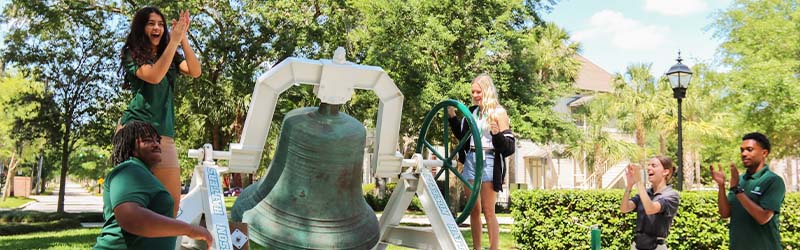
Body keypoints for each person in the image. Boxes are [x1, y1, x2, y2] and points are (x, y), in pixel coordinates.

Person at [118, 6, 202, 216]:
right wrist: (172, 42)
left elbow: (195, 71)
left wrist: (182, 39)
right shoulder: (132, 54)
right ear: (141, 27)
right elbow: (154, 76)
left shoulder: (170, 55)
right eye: (151, 23)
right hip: (137, 130)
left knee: (171, 204)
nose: (157, 27)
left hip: (164, 133)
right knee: (135, 202)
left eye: (161, 24)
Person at [94, 120, 212, 249]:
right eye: (148, 140)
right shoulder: (129, 170)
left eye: (157, 140)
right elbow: (131, 217)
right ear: (130, 147)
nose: (156, 144)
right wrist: (189, 230)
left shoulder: (143, 173)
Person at [448, 74, 515, 250]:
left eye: (479, 91)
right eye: (473, 92)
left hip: (490, 160)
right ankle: (477, 248)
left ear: (487, 91)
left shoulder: (499, 113)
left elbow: (509, 147)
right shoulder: (472, 113)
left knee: (488, 209)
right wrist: (452, 116)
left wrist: (496, 134)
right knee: (473, 209)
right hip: (471, 159)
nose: (475, 95)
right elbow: (462, 136)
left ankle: (493, 248)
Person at [711, 132, 785, 250]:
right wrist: (721, 186)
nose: (744, 154)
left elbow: (763, 218)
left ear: (764, 153)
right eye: (742, 150)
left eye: (749, 150)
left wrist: (737, 190)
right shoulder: (739, 180)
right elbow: (725, 213)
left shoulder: (773, 181)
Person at [620, 156, 680, 250]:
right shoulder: (646, 193)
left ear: (665, 172)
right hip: (637, 246)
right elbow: (624, 208)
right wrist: (630, 185)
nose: (649, 168)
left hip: (656, 247)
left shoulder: (671, 195)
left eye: (653, 165)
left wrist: (639, 182)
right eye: (648, 165)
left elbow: (650, 209)